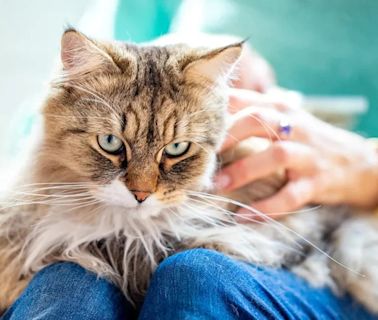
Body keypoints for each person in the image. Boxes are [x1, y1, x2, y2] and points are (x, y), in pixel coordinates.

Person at [3, 1, 378, 319]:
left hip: (337, 239)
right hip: (109, 213)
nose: (142, 188)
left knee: (196, 280)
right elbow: (47, 128)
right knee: (66, 290)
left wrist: (366, 165)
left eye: (174, 153)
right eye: (111, 145)